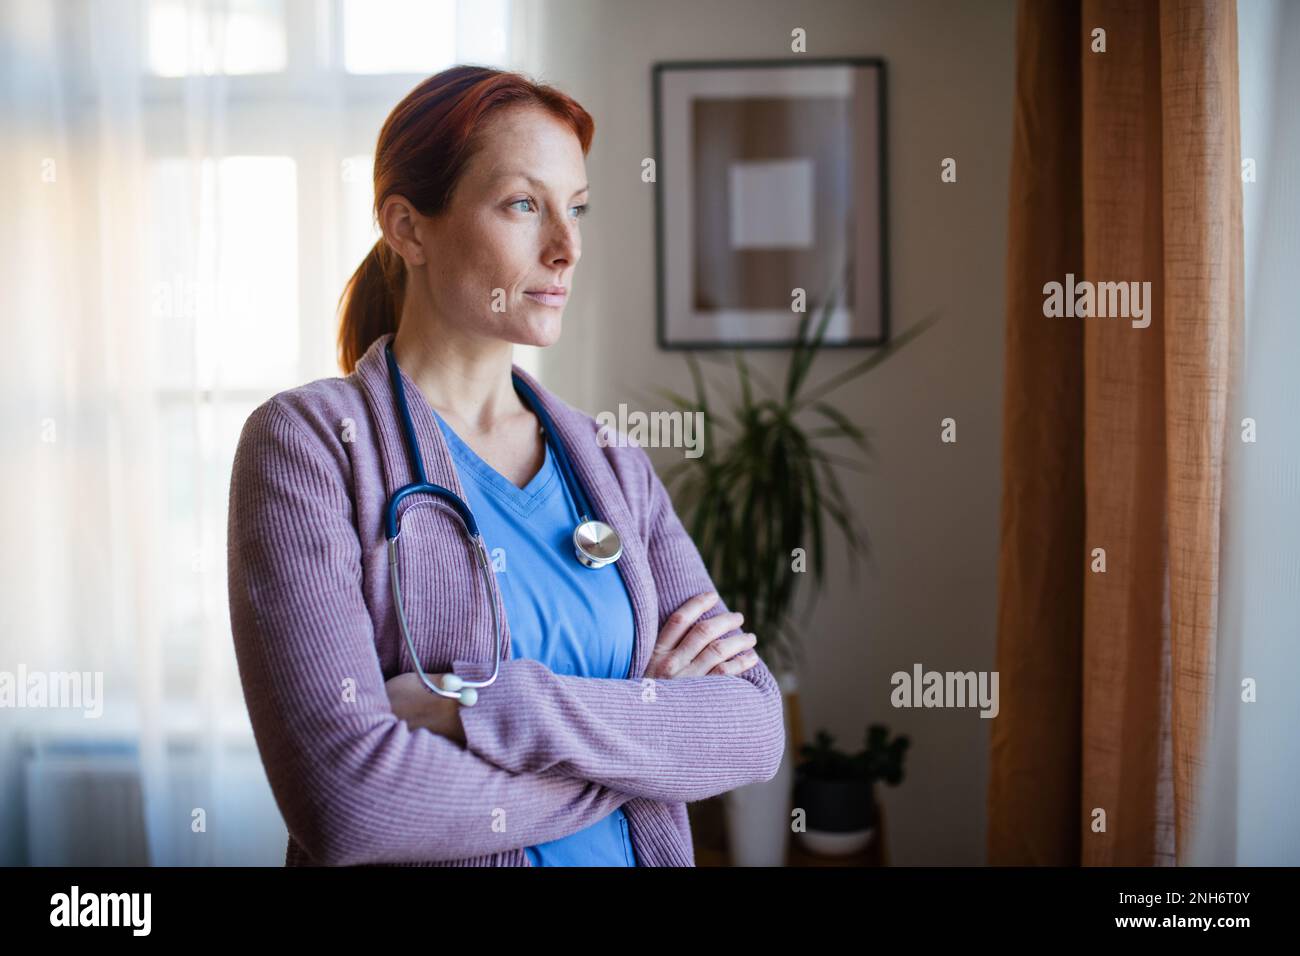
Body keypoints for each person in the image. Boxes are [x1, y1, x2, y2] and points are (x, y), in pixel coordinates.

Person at [226, 65, 785, 867]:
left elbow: (752, 728)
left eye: (577, 208)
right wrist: (644, 745)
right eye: (525, 204)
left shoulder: (611, 463)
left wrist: (485, 706)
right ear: (408, 228)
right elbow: (349, 805)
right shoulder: (311, 446)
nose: (567, 247)